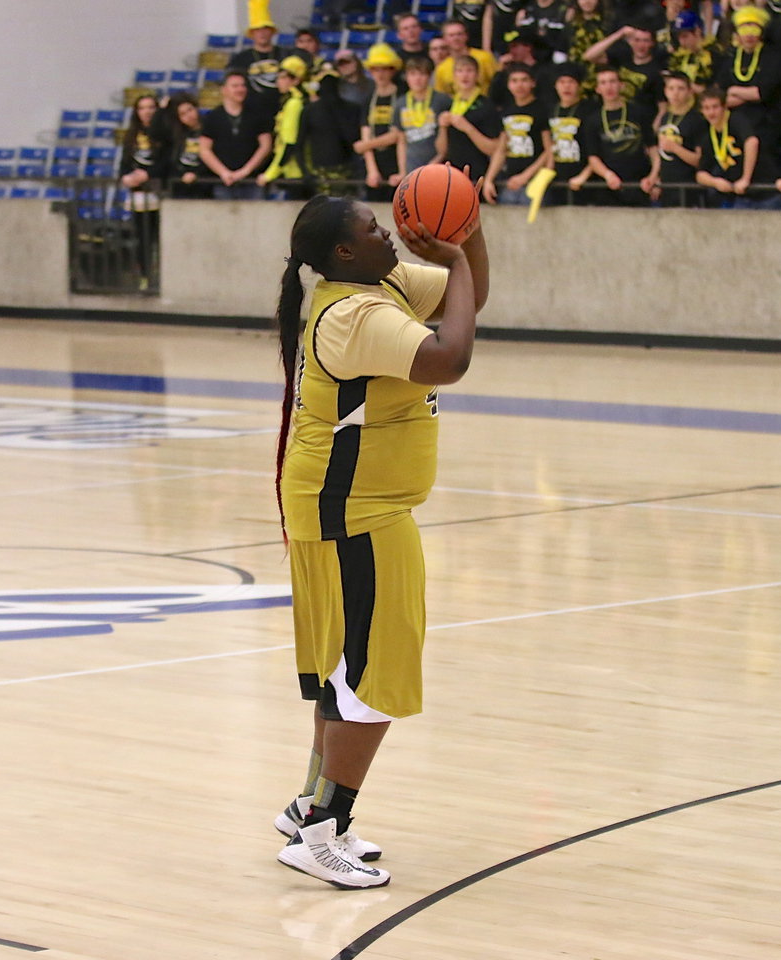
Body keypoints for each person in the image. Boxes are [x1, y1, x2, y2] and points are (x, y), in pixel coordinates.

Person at [272, 192, 489, 890]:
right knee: (374, 676)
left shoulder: (383, 281)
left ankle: (311, 806)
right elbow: (450, 356)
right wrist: (452, 254)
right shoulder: (354, 313)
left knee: (346, 667)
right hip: (353, 509)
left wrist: (468, 232)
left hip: (347, 503)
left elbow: (469, 295)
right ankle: (323, 832)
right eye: (373, 228)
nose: (388, 231)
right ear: (343, 252)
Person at [715, 6, 781, 169]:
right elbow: (720, 94)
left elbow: (761, 93)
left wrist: (733, 91)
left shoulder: (772, 56)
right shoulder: (731, 56)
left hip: (765, 126)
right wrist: (743, 95)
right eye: (744, 29)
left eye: (753, 29)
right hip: (734, 126)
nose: (748, 35)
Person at [578, 64, 660, 204]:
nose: (608, 87)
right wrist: (608, 175)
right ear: (598, 89)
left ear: (621, 85)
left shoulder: (639, 112)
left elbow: (653, 148)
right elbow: (593, 158)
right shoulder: (592, 120)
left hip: (639, 183)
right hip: (608, 187)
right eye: (603, 83)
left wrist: (653, 177)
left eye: (612, 81)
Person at [199, 69, 274, 199]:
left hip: (253, 181)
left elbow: (265, 145)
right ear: (224, 90)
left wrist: (246, 170)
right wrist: (224, 172)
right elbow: (204, 149)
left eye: (242, 85)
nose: (240, 89)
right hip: (223, 182)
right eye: (235, 86)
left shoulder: (257, 115)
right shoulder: (212, 117)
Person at [694, 85, 774, 207]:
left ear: (725, 107)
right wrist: (715, 182)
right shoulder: (708, 135)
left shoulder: (736, 120)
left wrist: (745, 178)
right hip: (741, 195)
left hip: (765, 191)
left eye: (715, 107)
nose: (711, 112)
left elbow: (752, 142)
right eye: (706, 108)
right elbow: (700, 175)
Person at [483, 64, 552, 204]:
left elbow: (549, 149)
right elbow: (502, 149)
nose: (519, 85)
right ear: (508, 85)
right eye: (514, 81)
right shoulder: (506, 111)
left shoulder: (542, 109)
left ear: (532, 83)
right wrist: (489, 179)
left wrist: (525, 176)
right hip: (510, 180)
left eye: (524, 80)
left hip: (534, 181)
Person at [119, 94, 163, 287]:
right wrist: (127, 177)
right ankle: (145, 276)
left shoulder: (164, 134)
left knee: (159, 237)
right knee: (142, 238)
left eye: (151, 107)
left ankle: (161, 275)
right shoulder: (131, 136)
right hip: (138, 196)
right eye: (142, 108)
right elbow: (124, 163)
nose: (147, 112)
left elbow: (166, 161)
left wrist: (148, 174)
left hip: (158, 193)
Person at [437, 55, 503, 181]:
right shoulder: (447, 104)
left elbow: (493, 149)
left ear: (477, 75)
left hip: (476, 173)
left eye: (469, 70)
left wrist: (468, 128)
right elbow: (442, 150)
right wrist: (442, 128)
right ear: (454, 76)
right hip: (451, 174)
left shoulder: (486, 105)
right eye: (460, 71)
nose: (464, 75)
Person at [355, 44, 404, 200]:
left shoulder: (402, 95)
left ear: (393, 70)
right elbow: (365, 133)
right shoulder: (368, 98)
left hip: (397, 161)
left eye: (385, 69)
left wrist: (366, 145)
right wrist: (372, 170)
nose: (380, 74)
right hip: (376, 163)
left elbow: (397, 135)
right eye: (375, 69)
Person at [583, 22, 669, 110]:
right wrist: (620, 34)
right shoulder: (623, 57)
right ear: (630, 41)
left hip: (640, 116)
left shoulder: (656, 70)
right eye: (637, 40)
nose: (640, 45)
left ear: (652, 43)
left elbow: (662, 106)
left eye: (645, 40)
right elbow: (589, 56)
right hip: (615, 109)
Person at [258, 56, 311, 197]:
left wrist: (270, 174)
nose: (278, 82)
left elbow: (289, 143)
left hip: (294, 172)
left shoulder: (294, 104)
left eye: (283, 77)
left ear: (295, 80)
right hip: (290, 172)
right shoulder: (293, 101)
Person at [545, 61, 596, 204]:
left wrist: (584, 175)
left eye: (571, 82)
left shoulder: (589, 110)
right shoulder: (550, 110)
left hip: (583, 176)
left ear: (579, 85)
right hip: (556, 177)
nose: (566, 86)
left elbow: (597, 149)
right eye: (562, 82)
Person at [394, 57, 451, 178]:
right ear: (406, 77)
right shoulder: (400, 103)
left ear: (429, 76)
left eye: (422, 74)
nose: (417, 79)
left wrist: (436, 161)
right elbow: (401, 140)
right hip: (411, 167)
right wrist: (402, 171)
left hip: (438, 167)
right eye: (413, 74)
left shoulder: (442, 100)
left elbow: (450, 138)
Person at [230, 0, 288, 118]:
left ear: (272, 32)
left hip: (282, 112)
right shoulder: (240, 59)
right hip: (251, 114)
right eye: (257, 29)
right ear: (252, 33)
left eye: (265, 29)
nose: (262, 33)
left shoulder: (284, 54)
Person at [655, 71, 704, 206]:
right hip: (666, 185)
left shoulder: (696, 120)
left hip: (687, 186)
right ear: (665, 91)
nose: (675, 93)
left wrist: (675, 148)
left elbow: (700, 160)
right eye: (671, 88)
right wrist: (655, 177)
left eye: (681, 89)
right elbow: (661, 152)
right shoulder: (665, 118)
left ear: (689, 91)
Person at [435, 20, 501, 95]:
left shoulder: (484, 58)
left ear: (466, 36)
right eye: (451, 35)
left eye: (459, 34)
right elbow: (441, 96)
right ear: (444, 39)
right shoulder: (442, 68)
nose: (456, 38)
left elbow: (498, 84)